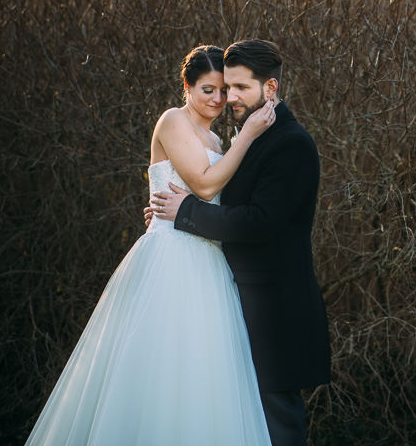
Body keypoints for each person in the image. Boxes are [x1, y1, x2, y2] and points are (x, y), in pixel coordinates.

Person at [26, 45, 277, 445]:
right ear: (187, 86)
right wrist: (248, 134)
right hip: (171, 260)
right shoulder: (173, 121)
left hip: (209, 264)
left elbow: (217, 201)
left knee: (201, 374)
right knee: (158, 368)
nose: (218, 100)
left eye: (223, 91)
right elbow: (205, 183)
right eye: (208, 90)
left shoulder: (216, 137)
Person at [151, 39, 331, 446]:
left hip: (276, 312)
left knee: (277, 425)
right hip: (229, 299)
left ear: (270, 89)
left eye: (240, 88)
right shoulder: (248, 138)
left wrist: (185, 213)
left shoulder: (291, 144)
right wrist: (167, 212)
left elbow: (259, 222)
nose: (229, 98)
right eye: (224, 87)